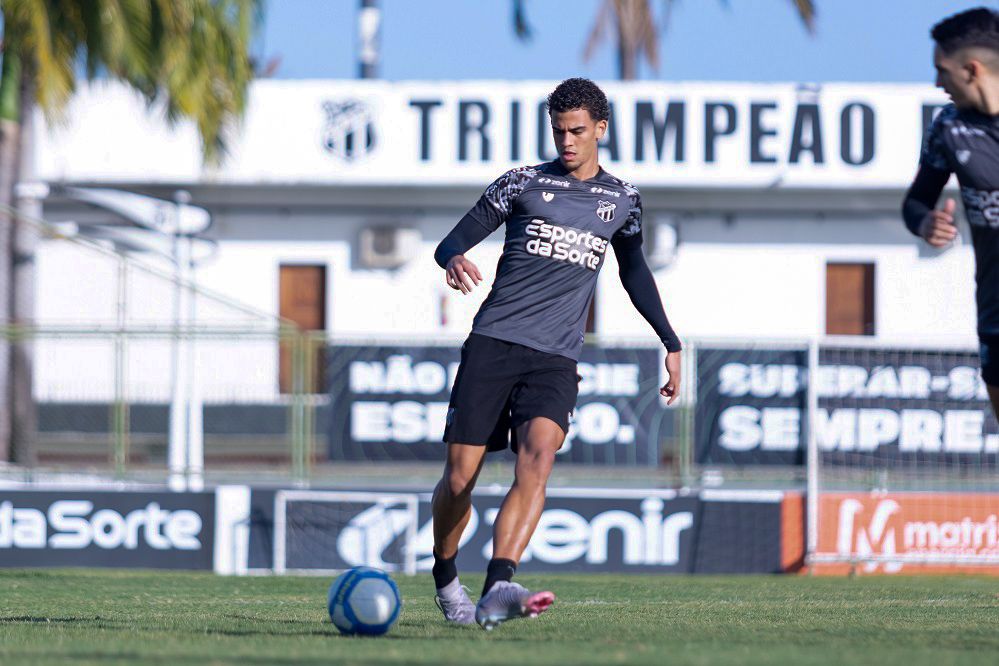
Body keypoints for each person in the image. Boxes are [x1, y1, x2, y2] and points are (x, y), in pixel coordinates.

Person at [429, 77, 682, 630]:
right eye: (559, 131)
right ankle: (446, 576)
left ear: (600, 130)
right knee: (458, 479)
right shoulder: (521, 183)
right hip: (494, 342)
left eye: (577, 131)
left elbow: (634, 272)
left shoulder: (622, 201)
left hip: (556, 358)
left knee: (538, 458)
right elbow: (452, 241)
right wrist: (450, 259)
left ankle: (499, 585)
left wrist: (670, 340)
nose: (567, 141)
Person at [903, 7, 999, 414]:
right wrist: (926, 222)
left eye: (942, 70)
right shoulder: (949, 126)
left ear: (972, 69)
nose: (936, 82)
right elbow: (916, 200)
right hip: (994, 312)